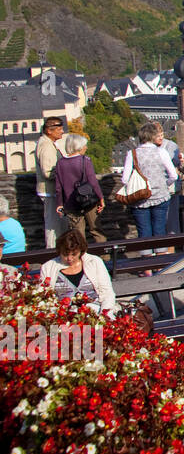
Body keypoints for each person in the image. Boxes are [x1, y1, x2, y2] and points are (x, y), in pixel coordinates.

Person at [122, 121, 179, 254]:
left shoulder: (132, 154)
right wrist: (164, 185)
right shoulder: (162, 152)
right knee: (160, 230)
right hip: (160, 196)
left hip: (140, 199)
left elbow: (124, 179)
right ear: (153, 137)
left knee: (144, 232)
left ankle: (147, 269)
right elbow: (174, 176)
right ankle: (159, 265)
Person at [39, 228, 116, 315]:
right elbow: (44, 298)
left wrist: (105, 315)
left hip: (94, 312)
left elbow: (107, 293)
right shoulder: (48, 267)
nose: (69, 258)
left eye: (74, 254)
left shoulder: (94, 262)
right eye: (65, 254)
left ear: (81, 251)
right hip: (63, 316)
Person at [54, 133, 106, 244]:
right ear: (78, 146)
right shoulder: (85, 160)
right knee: (96, 230)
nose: (86, 147)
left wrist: (60, 203)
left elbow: (59, 187)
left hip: (70, 203)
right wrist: (100, 198)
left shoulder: (60, 163)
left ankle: (80, 258)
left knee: (77, 235)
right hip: (89, 200)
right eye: (84, 145)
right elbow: (93, 182)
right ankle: (103, 257)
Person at [35, 117, 68, 248]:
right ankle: (53, 253)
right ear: (49, 131)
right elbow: (48, 172)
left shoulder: (47, 143)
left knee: (58, 226)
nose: (62, 132)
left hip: (52, 191)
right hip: (51, 192)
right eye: (59, 129)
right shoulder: (46, 146)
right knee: (54, 227)